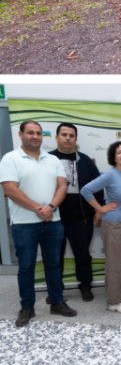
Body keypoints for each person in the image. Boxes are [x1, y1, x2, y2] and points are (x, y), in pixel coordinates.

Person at [0, 121, 77, 327]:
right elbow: (10, 190)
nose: (35, 136)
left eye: (38, 133)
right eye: (31, 133)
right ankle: (27, 307)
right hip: (25, 224)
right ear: (21, 134)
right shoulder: (11, 159)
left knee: (54, 263)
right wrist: (38, 208)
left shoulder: (52, 159)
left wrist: (50, 207)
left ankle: (57, 302)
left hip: (53, 221)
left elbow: (62, 186)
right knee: (26, 266)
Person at [81, 140, 121, 313]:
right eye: (119, 152)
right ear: (113, 156)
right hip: (114, 223)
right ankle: (115, 300)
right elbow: (86, 190)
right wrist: (100, 208)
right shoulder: (110, 174)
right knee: (116, 263)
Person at [48, 123, 101, 302]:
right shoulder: (47, 160)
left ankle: (85, 285)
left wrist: (98, 210)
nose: (68, 138)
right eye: (64, 135)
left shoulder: (85, 161)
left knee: (83, 255)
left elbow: (98, 187)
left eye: (71, 135)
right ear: (57, 137)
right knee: (54, 257)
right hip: (53, 219)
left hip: (81, 219)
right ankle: (55, 290)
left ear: (76, 139)